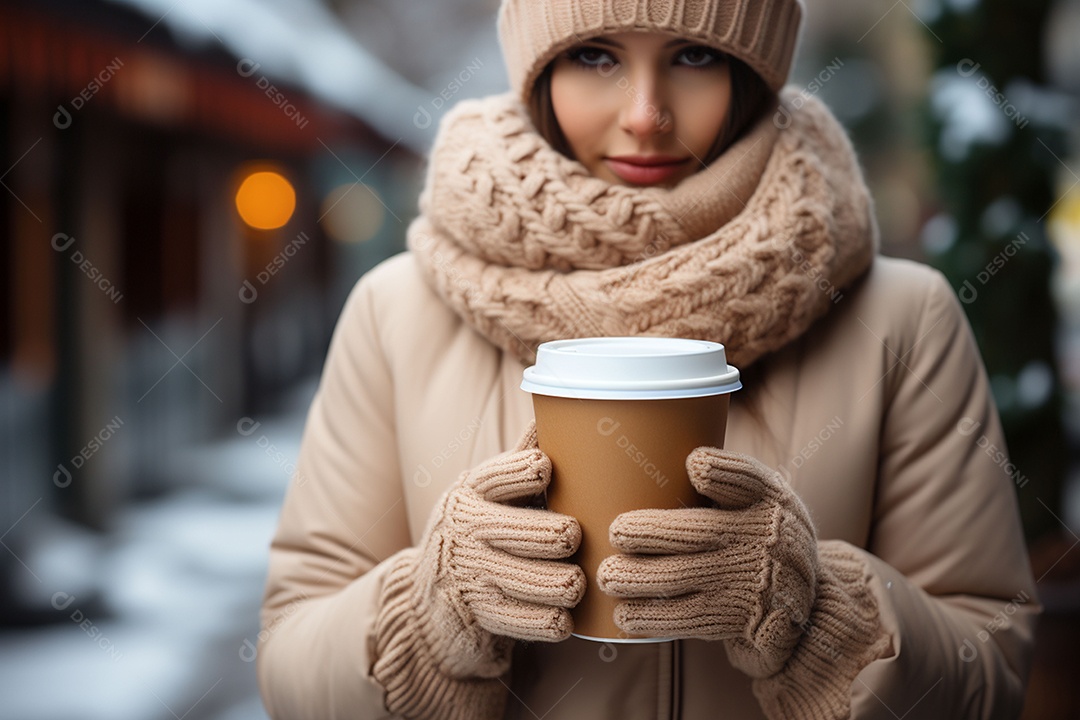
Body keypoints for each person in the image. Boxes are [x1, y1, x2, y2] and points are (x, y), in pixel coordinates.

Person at [256, 1, 1038, 718]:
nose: (646, 116)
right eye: (595, 56)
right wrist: (427, 617)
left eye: (694, 56)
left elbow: (991, 674)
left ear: (751, 73)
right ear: (538, 76)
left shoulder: (901, 318)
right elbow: (292, 666)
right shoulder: (397, 311)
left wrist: (819, 617)